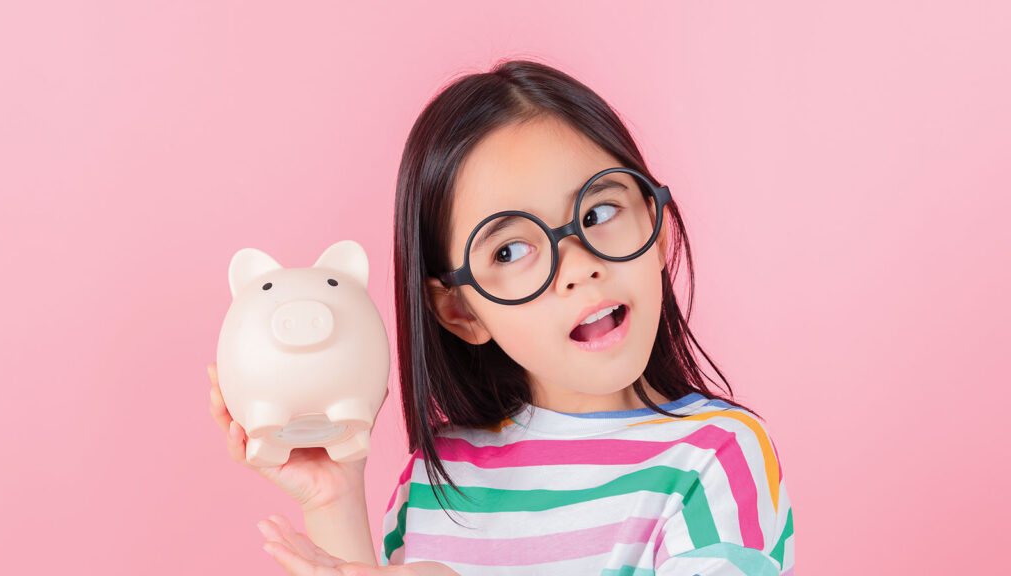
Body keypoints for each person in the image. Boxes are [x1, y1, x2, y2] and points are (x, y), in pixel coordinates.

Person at [209, 58, 796, 575]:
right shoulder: (435, 484)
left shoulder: (716, 456)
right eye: (511, 250)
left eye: (599, 211)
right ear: (461, 311)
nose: (578, 266)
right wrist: (333, 501)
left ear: (656, 226)